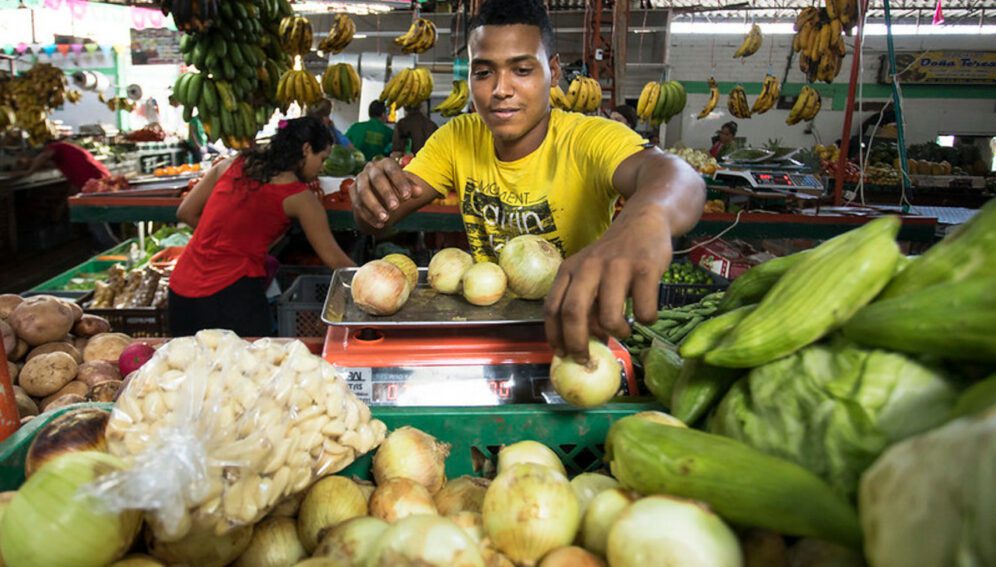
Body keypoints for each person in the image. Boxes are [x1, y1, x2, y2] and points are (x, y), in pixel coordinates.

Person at [349, 0, 704, 362]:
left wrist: (647, 218)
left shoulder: (587, 139)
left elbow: (676, 176)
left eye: (521, 70)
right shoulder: (456, 139)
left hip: (581, 341)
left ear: (552, 70)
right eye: (484, 73)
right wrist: (369, 196)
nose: (501, 89)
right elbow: (381, 216)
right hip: (489, 333)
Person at [168, 117, 355, 337]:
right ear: (306, 149)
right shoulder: (300, 198)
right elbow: (335, 260)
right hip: (231, 296)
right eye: (321, 158)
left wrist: (229, 240)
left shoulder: (231, 164)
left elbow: (185, 212)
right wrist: (374, 280)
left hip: (180, 292)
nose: (321, 168)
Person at [8, 138, 119, 248]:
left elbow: (45, 156)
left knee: (95, 220)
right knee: (96, 219)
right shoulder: (68, 153)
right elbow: (71, 185)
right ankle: (107, 247)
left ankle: (114, 249)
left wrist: (28, 171)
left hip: (94, 185)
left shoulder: (56, 147)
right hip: (99, 181)